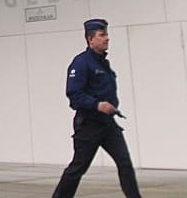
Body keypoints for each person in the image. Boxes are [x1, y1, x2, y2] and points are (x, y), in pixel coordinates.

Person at [50, 19, 142, 198]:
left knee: (125, 163)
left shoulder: (103, 63)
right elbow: (74, 95)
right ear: (90, 40)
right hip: (89, 125)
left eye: (106, 34)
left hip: (108, 124)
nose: (107, 38)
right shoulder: (81, 63)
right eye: (102, 35)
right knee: (78, 168)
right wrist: (97, 105)